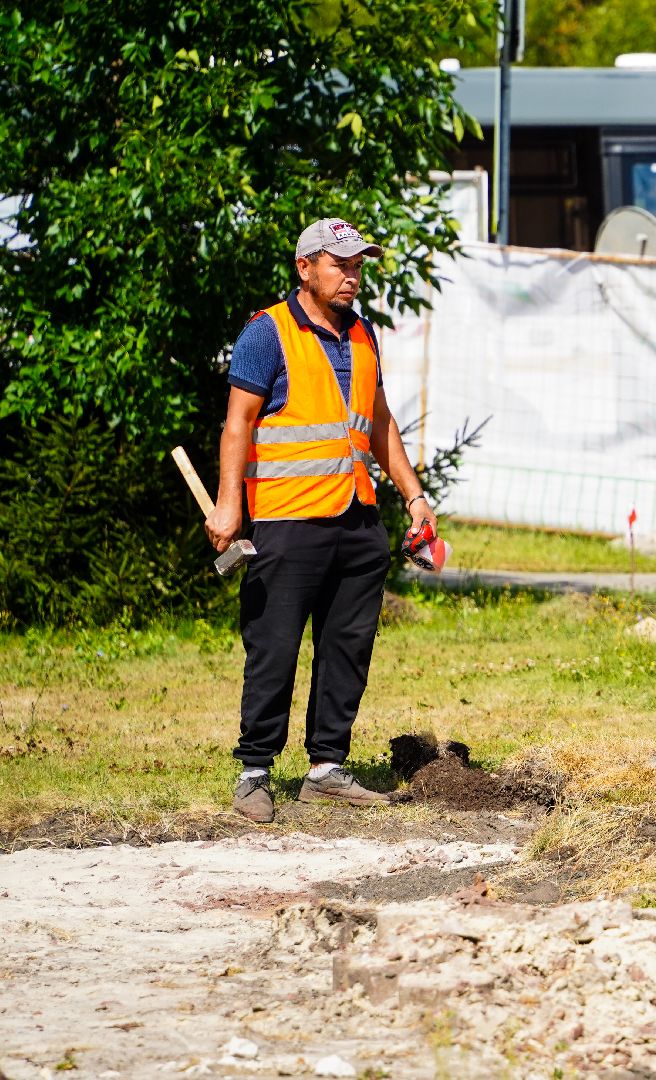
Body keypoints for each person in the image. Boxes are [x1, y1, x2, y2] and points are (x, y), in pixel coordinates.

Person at [206, 218, 437, 822]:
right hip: (286, 521)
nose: (352, 276)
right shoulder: (268, 333)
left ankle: (326, 767)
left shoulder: (364, 336)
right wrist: (230, 502)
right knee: (274, 649)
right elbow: (239, 425)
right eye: (340, 264)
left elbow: (379, 422)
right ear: (305, 268)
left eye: (358, 265)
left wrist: (413, 497)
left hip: (358, 520)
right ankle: (255, 771)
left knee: (348, 647)